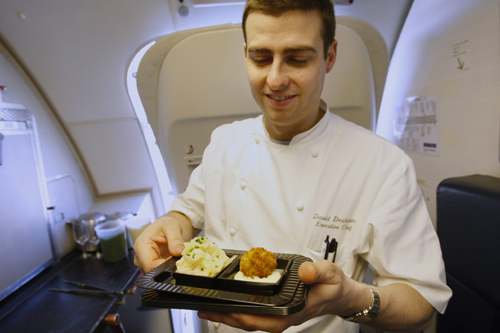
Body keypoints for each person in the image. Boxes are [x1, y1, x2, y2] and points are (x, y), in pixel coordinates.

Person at [134, 0, 452, 332]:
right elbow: (187, 214)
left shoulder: (382, 164)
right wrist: (170, 225)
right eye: (260, 58)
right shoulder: (225, 142)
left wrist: (352, 299)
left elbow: (421, 305)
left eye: (297, 59)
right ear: (245, 54)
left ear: (329, 57)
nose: (275, 79)